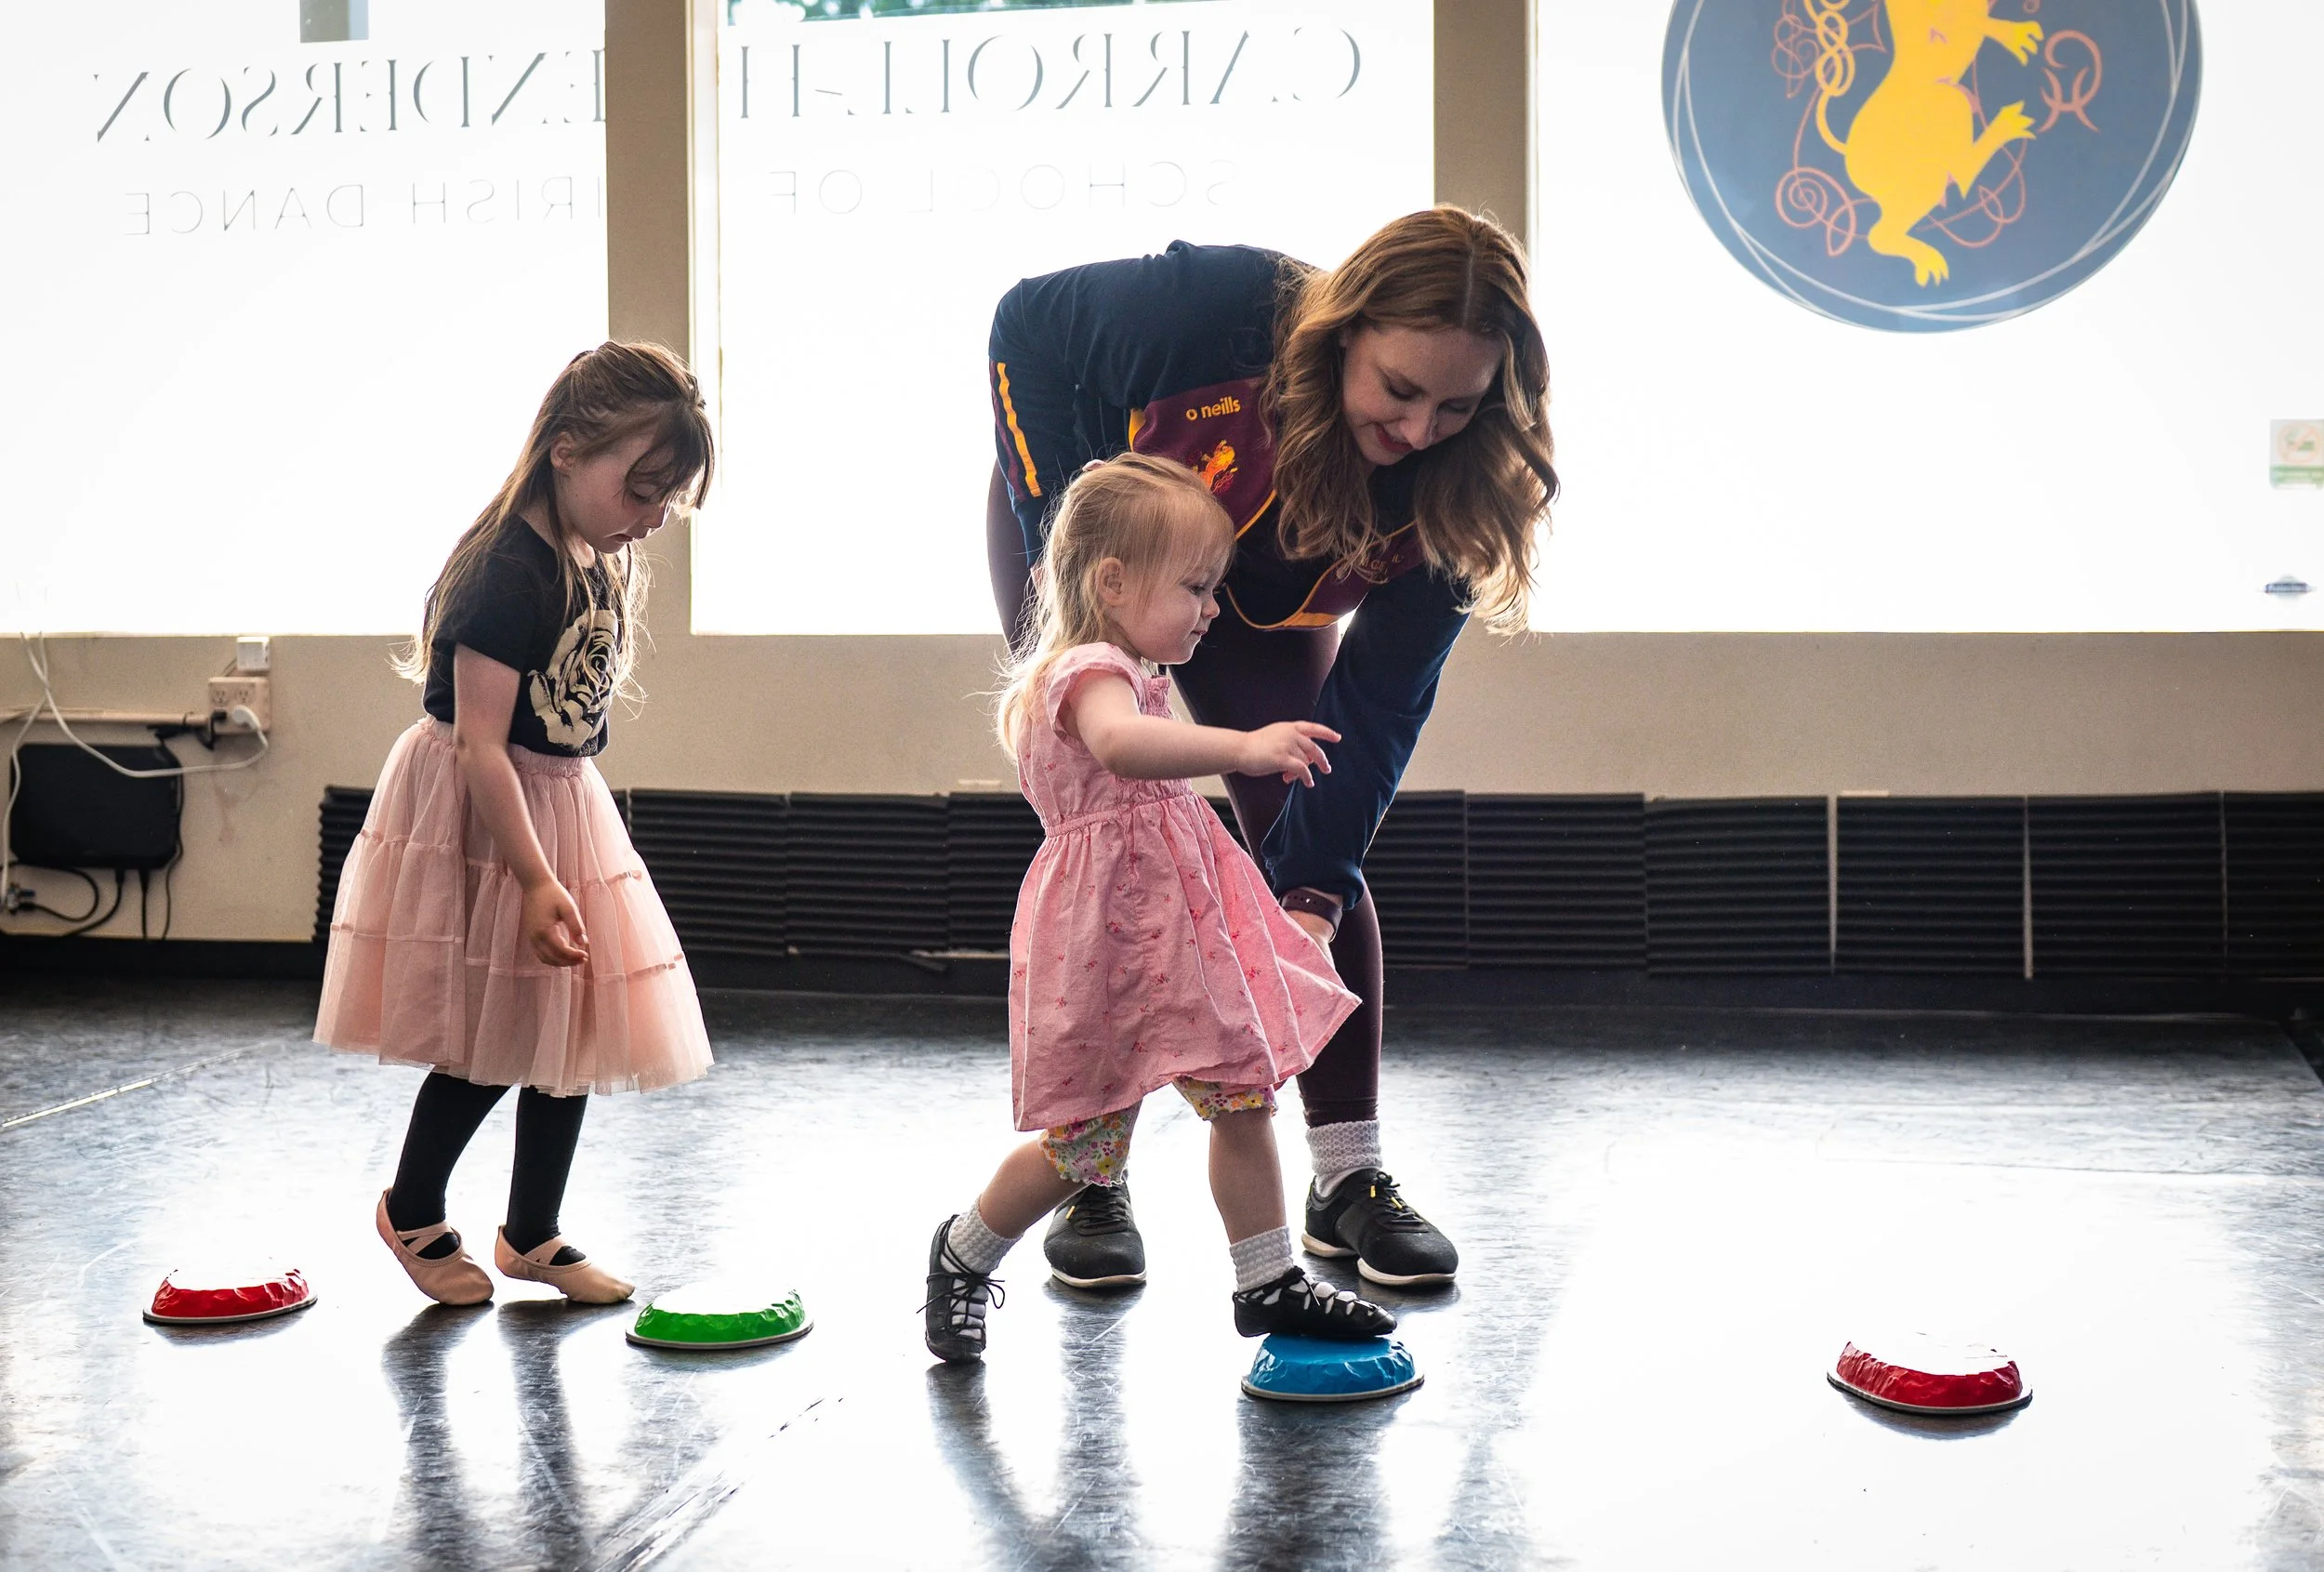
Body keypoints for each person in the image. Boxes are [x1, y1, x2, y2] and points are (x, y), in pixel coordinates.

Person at [986, 206, 1558, 1288]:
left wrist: (1311, 896)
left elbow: (1373, 714)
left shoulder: (1463, 487)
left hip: (1267, 588)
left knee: (1305, 825)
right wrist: (1078, 545)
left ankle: (1346, 1176)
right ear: (1344, 331)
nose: (1420, 427)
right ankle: (1092, 1174)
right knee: (1107, 850)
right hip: (1112, 557)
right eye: (1398, 389)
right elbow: (1026, 323)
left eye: (1456, 405)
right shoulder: (1211, 312)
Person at [923, 454, 1398, 1363]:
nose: (1212, 608)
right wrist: (1243, 747)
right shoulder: (1088, 672)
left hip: (1176, 943)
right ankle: (964, 1250)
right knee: (1082, 1150)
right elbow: (1119, 744)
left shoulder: (1135, 668)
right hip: (1107, 945)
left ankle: (1266, 1280)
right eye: (1195, 587)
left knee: (1242, 1092)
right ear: (1112, 581)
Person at [316, 342, 716, 1307]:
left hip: (558, 798)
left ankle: (531, 1231)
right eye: (642, 490)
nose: (653, 517)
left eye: (668, 499)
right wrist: (536, 877)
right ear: (567, 450)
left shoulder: (590, 554)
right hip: (484, 811)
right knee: (491, 1032)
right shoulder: (505, 570)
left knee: (567, 1019)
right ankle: (412, 1207)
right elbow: (479, 746)